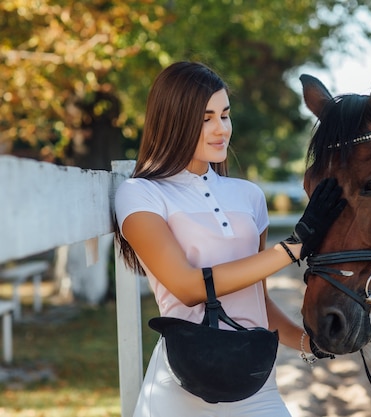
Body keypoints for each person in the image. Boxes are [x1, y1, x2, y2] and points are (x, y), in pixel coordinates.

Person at [114, 61, 345, 417]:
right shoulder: (140, 194)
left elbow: (256, 302)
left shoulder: (249, 196)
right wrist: (294, 246)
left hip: (255, 385)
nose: (221, 129)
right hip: (180, 385)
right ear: (174, 121)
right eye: (206, 118)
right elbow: (189, 287)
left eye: (225, 115)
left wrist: (310, 343)